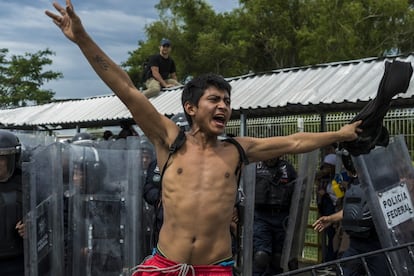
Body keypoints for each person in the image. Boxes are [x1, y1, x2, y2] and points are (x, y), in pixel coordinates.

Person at [45, 2, 362, 275]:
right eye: (215, 99)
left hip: (216, 268)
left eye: (227, 100)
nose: (223, 105)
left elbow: (295, 142)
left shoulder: (238, 150)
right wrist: (82, 39)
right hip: (167, 266)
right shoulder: (170, 139)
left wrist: (342, 133)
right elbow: (126, 90)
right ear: (191, 107)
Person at [312, 152, 391, 276]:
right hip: (355, 243)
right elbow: (352, 209)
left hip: (376, 244)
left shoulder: (380, 181)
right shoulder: (353, 182)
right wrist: (331, 218)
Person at [253, 156, 297, 275]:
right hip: (261, 216)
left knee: (278, 258)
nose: (271, 157)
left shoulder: (287, 168)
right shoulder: (254, 167)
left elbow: (297, 191)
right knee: (261, 256)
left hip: (281, 216)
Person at [0, 130, 25, 276]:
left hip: (16, 262)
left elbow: (47, 216)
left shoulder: (27, 182)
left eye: (1, 157)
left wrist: (31, 226)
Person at [315, 144, 339, 262]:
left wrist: (325, 194)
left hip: (335, 211)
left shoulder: (337, 179)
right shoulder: (327, 179)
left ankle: (331, 261)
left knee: (334, 237)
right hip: (328, 209)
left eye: (328, 167)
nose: (325, 170)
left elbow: (339, 197)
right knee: (330, 236)